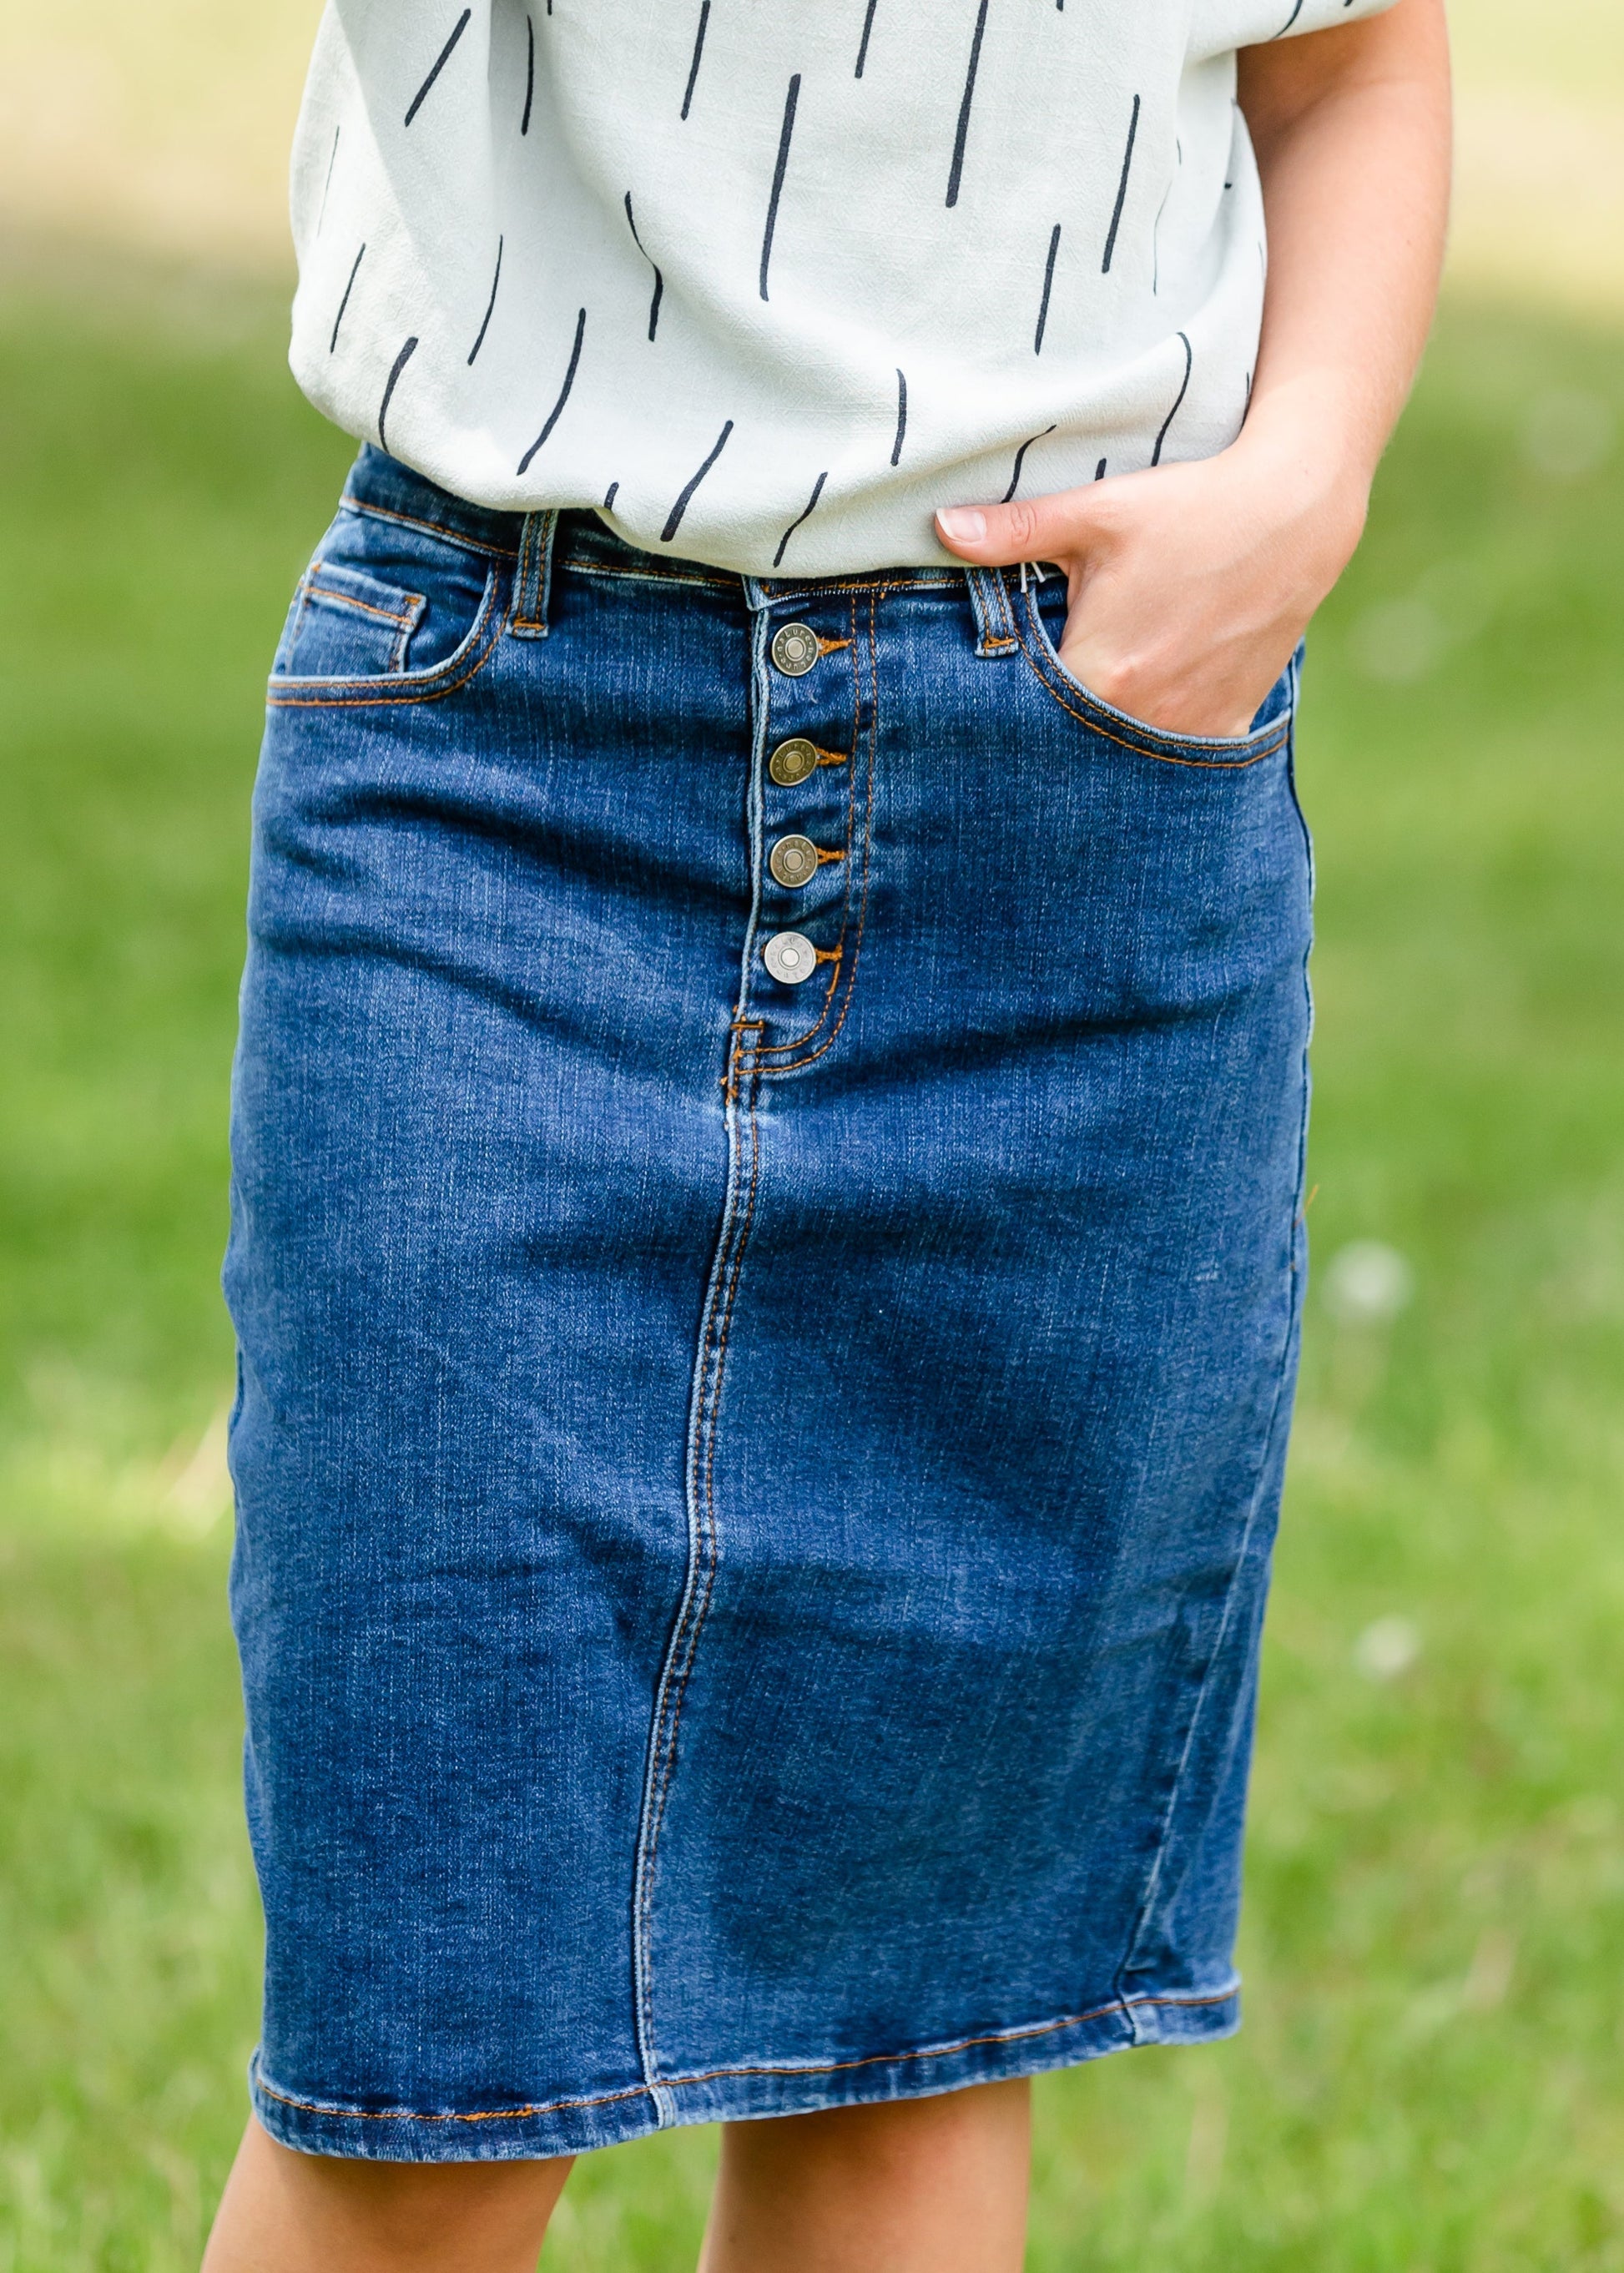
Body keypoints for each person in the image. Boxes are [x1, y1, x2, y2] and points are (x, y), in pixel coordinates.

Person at [202, 1, 1450, 2265]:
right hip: (504, 752)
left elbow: (1349, 50)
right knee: (428, 2053)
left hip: (1068, 804)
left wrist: (1302, 480)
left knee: (909, 2037)